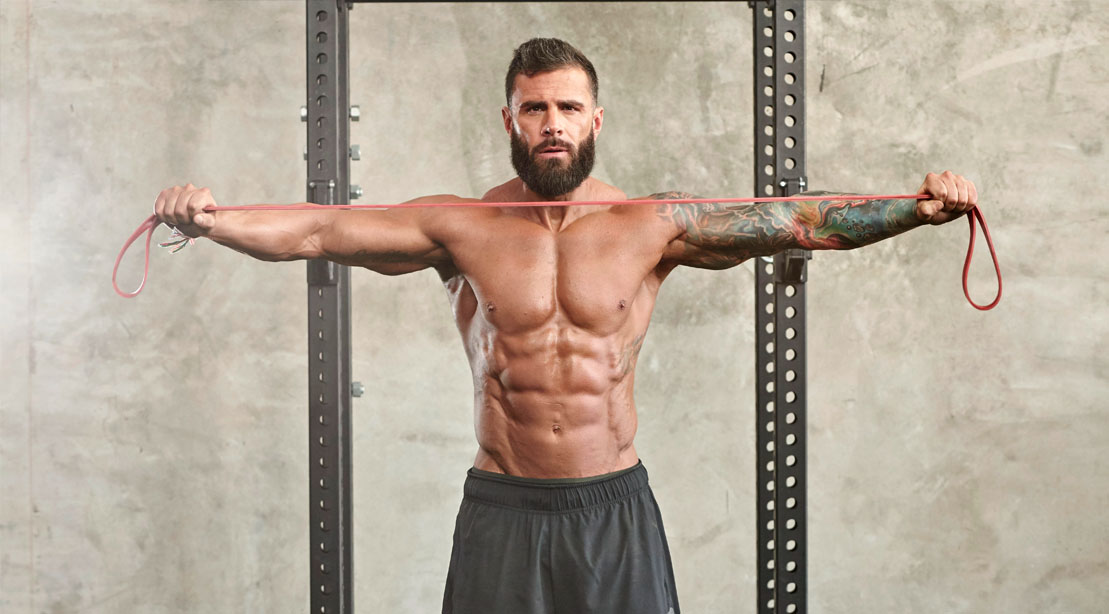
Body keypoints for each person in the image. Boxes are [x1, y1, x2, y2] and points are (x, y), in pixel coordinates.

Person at [154, 38, 978, 614]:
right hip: (503, 505)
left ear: (595, 119)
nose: (552, 121)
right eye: (535, 107)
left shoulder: (651, 223)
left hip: (612, 507)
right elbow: (316, 230)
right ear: (508, 120)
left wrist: (917, 208)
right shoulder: (459, 226)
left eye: (568, 107)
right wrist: (207, 219)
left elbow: (799, 222)